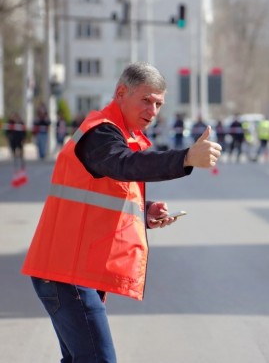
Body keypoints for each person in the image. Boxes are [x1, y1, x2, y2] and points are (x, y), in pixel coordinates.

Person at [21, 62, 222, 362]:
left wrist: (145, 212)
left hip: (70, 270)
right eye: (146, 100)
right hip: (66, 273)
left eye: (158, 104)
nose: (153, 111)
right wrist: (186, 158)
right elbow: (124, 165)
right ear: (120, 92)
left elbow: (102, 195)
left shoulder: (115, 134)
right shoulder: (100, 132)